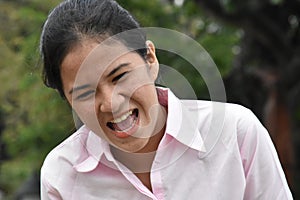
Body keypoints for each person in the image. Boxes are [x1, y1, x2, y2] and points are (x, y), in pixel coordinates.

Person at [39, 0, 293, 199]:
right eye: (84, 93)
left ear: (150, 59)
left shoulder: (236, 133)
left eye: (119, 76)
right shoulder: (61, 174)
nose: (111, 103)